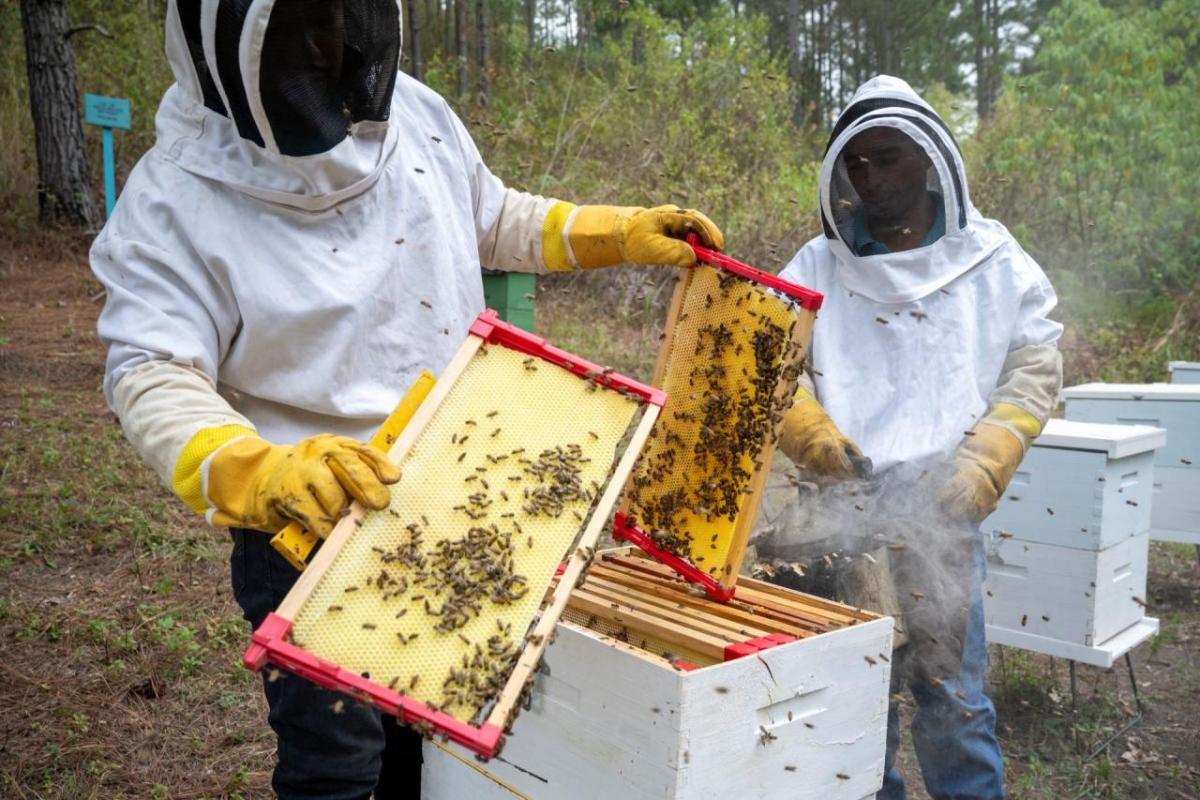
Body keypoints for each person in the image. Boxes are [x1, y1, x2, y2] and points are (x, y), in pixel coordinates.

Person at [88, 2, 722, 798]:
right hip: (312, 521)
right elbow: (149, 370)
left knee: (444, 752)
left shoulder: (415, 112)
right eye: (301, 29)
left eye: (339, 15)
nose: (330, 44)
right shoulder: (169, 201)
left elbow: (491, 215)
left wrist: (611, 233)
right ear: (231, 47)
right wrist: (255, 470)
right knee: (339, 764)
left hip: (460, 484)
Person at [776, 75, 1062, 799]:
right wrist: (807, 428)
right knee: (852, 702)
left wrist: (987, 460)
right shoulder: (818, 264)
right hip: (841, 510)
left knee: (953, 704)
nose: (870, 176)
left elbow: (1033, 365)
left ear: (929, 160)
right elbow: (767, 358)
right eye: (858, 164)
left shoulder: (992, 258)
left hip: (941, 505)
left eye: (888, 158)